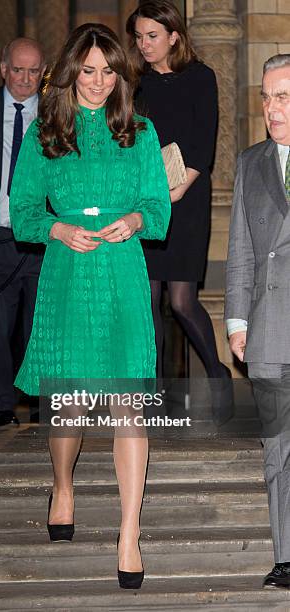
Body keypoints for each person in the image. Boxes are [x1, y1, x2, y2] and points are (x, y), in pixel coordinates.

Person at [10, 23, 170, 589]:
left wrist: (136, 219)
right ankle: (64, 485)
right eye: (89, 70)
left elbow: (158, 204)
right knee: (71, 404)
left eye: (109, 71)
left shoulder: (140, 131)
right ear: (72, 71)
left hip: (123, 273)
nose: (99, 82)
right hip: (69, 272)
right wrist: (57, 227)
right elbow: (24, 210)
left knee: (128, 402)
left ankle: (129, 534)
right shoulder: (44, 134)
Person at [126, 1, 233, 423]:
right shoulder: (133, 82)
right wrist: (145, 198)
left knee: (182, 299)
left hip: (185, 200)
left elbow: (202, 144)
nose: (144, 44)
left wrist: (171, 193)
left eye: (152, 36)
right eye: (138, 37)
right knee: (147, 299)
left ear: (174, 35)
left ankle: (218, 373)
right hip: (145, 202)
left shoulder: (201, 77)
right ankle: (153, 394)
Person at [226, 53, 290, 589]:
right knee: (278, 448)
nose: (272, 108)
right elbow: (241, 251)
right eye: (266, 97)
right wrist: (236, 320)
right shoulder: (250, 163)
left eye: (283, 96)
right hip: (270, 327)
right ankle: (286, 556)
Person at [0, 38, 46, 426]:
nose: (25, 79)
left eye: (33, 71)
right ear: (4, 69)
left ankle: (44, 403)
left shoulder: (58, 113)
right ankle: (1, 405)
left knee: (40, 321)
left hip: (45, 234)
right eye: (18, 70)